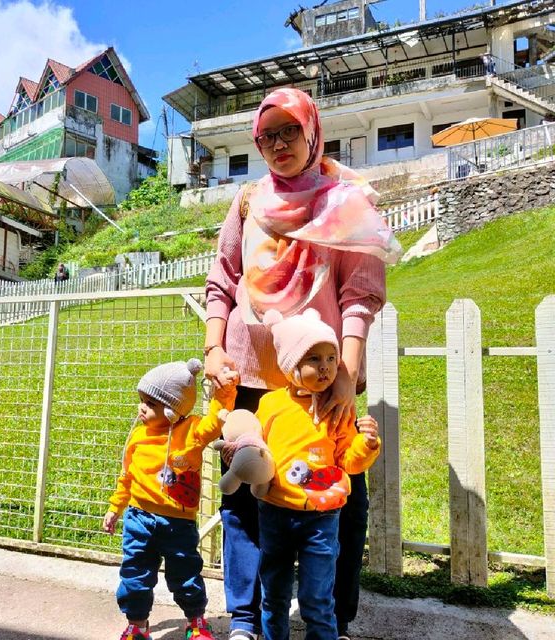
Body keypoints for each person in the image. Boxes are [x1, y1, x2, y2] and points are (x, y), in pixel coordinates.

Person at [204, 87, 400, 640]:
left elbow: (360, 292)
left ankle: (332, 622)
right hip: (247, 377)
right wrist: (214, 349)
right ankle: (246, 620)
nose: (278, 144)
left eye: (290, 130)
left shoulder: (346, 199)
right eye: (267, 135)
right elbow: (222, 280)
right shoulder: (247, 201)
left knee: (341, 500)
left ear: (313, 130)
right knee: (244, 499)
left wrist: (346, 370)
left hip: (318, 381)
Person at [257, 308, 381, 639]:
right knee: (274, 596)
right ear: (290, 364)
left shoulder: (338, 407)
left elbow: (348, 463)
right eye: (314, 358)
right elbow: (254, 447)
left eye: (330, 357)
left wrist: (367, 444)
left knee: (317, 599)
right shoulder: (270, 406)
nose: (326, 367)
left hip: (322, 519)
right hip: (275, 513)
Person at [103, 358, 239, 640]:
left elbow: (216, 419)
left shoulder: (191, 431)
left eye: (151, 404)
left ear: (172, 410)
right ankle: (137, 625)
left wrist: (224, 392)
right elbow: (126, 476)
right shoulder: (138, 437)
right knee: (135, 575)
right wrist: (116, 507)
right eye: (142, 400)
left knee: (186, 576)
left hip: (179, 523)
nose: (142, 408)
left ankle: (196, 622)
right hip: (139, 518)